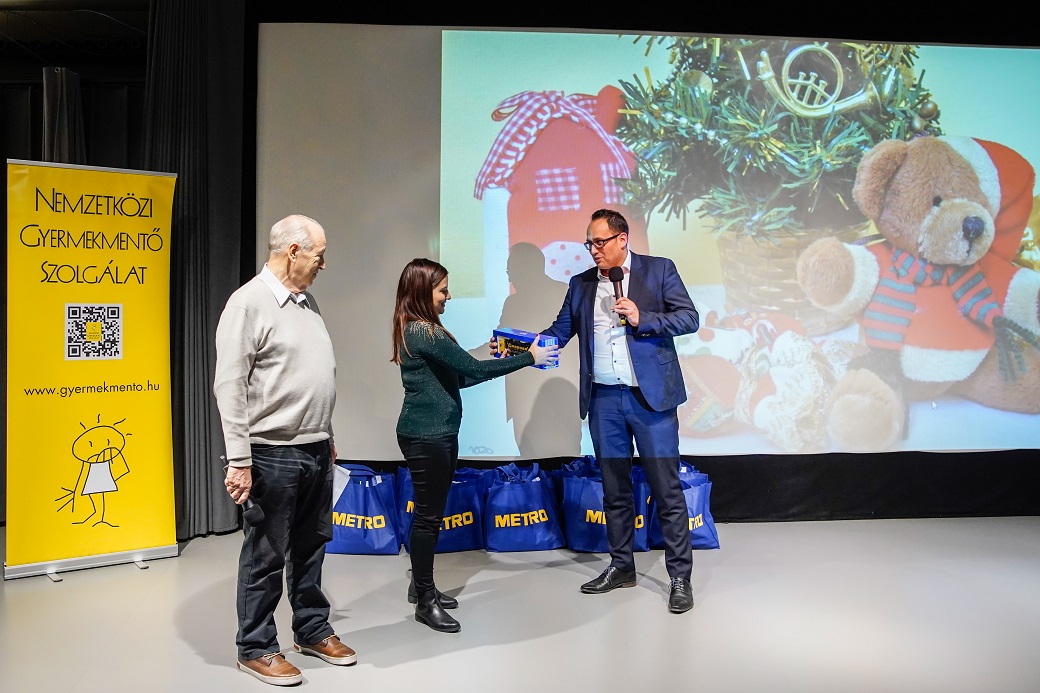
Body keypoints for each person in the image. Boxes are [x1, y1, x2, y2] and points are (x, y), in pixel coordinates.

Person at [214, 214, 356, 686]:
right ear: (293, 251)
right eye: (319, 254)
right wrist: (239, 460)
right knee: (267, 554)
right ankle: (255, 647)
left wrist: (326, 433)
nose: (323, 264)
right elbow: (229, 386)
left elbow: (313, 376)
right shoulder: (248, 304)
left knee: (311, 547)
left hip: (314, 447)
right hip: (271, 452)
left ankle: (311, 630)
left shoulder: (306, 301)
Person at [537, 208, 700, 613]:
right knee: (615, 490)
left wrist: (644, 318)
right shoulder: (580, 284)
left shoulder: (658, 270)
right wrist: (519, 344)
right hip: (604, 400)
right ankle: (622, 566)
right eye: (589, 243)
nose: (593, 250)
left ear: (622, 239)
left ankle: (679, 577)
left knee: (666, 490)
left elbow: (689, 318)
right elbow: (559, 332)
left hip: (651, 400)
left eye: (599, 242)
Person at [392, 258, 558, 633]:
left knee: (428, 514)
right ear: (423, 292)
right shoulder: (423, 331)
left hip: (434, 433)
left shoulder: (421, 329)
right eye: (442, 290)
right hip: (427, 436)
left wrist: (498, 356)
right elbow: (474, 370)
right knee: (429, 518)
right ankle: (425, 600)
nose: (448, 296)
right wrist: (527, 357)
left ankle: (422, 587)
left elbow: (461, 379)